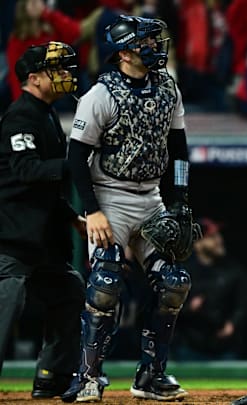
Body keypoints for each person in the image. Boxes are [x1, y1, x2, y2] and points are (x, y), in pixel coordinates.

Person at [61, 15, 196, 402]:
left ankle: (151, 375)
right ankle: (87, 377)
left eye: (155, 40)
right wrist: (92, 211)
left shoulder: (168, 88)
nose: (155, 47)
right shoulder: (100, 95)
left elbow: (180, 149)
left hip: (151, 196)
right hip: (109, 197)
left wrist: (181, 199)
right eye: (146, 42)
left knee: (174, 283)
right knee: (105, 284)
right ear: (123, 52)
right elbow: (76, 156)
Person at [0, 41, 85, 399]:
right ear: (33, 79)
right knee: (8, 303)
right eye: (58, 70)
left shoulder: (48, 113)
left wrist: (73, 218)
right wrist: (77, 164)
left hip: (43, 239)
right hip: (13, 239)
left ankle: (52, 376)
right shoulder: (21, 116)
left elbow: (48, 190)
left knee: (69, 289)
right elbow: (26, 170)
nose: (66, 75)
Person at [175, 218, 247, 360]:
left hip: (224, 347)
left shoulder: (232, 270)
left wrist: (232, 324)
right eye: (212, 237)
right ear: (197, 244)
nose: (219, 240)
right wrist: (188, 308)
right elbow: (163, 310)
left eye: (218, 235)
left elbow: (244, 304)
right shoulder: (183, 272)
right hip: (189, 347)